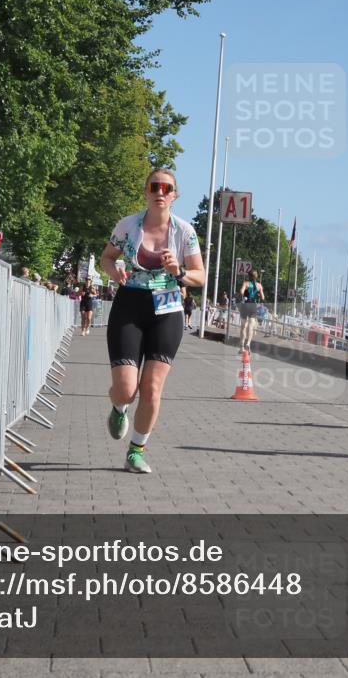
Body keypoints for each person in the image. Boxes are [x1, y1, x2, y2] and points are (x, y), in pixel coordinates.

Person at [100, 168, 204, 474]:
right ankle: (119, 407)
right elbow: (106, 257)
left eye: (167, 188)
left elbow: (200, 276)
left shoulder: (185, 232)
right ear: (146, 192)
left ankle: (136, 451)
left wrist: (179, 273)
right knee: (126, 389)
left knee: (153, 388)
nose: (160, 192)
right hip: (130, 302)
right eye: (154, 187)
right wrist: (114, 271)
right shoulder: (128, 225)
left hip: (167, 305)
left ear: (175, 195)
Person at [237, 270, 266, 352]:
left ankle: (242, 346)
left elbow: (241, 291)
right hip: (253, 306)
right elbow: (263, 297)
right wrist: (258, 295)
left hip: (245, 305)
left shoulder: (246, 283)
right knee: (251, 326)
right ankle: (248, 343)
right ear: (256, 277)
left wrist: (244, 293)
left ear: (248, 276)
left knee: (243, 326)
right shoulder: (259, 285)